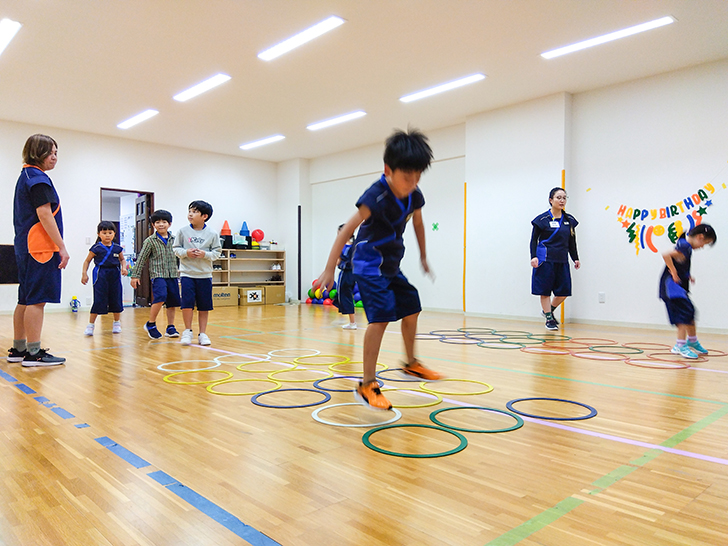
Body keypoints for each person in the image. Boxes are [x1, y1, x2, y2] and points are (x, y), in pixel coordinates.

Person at [316, 129, 442, 411]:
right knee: (381, 318)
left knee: (412, 306)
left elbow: (418, 223)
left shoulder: (414, 194)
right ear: (388, 170)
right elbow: (346, 230)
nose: (413, 183)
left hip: (390, 265)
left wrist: (423, 256)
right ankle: (367, 384)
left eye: (418, 177)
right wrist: (329, 269)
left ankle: (411, 363)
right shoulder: (376, 195)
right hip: (368, 265)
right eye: (407, 177)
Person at [8, 134, 69, 366]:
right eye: (50, 153)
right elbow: (44, 214)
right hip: (40, 249)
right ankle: (34, 353)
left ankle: (18, 349)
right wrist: (61, 246)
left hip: (27, 247)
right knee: (37, 300)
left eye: (56, 153)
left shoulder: (25, 176)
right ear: (37, 153)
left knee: (25, 299)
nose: (54, 157)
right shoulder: (37, 178)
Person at [659, 224, 716, 359]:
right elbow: (666, 255)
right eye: (704, 244)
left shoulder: (685, 246)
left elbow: (680, 262)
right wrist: (673, 272)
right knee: (683, 315)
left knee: (689, 312)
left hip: (678, 287)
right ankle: (680, 345)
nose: (702, 247)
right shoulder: (685, 246)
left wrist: (687, 275)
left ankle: (692, 341)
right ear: (700, 237)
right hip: (672, 288)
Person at [530, 187, 580, 330]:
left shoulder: (569, 220)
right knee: (545, 290)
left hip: (562, 260)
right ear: (551, 200)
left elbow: (572, 241)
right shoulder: (542, 220)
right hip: (545, 259)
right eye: (558, 197)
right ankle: (549, 319)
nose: (562, 200)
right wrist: (533, 256)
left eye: (564, 198)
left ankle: (548, 311)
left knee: (564, 291)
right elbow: (533, 240)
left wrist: (575, 258)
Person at [173, 200, 222, 346]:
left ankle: (203, 333)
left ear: (204, 216)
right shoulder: (182, 231)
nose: (190, 214)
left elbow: (217, 252)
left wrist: (205, 255)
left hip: (204, 275)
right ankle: (187, 331)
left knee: (204, 305)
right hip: (187, 274)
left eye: (194, 212)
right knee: (186, 304)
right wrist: (186, 252)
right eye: (189, 211)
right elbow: (176, 249)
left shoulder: (212, 233)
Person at [130, 210, 181, 339]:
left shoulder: (175, 240)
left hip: (173, 274)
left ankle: (170, 327)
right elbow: (141, 258)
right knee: (160, 297)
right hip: (158, 275)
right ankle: (151, 324)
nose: (161, 224)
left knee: (173, 301)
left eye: (164, 222)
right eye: (157, 222)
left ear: (169, 224)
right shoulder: (150, 241)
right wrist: (135, 275)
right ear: (153, 225)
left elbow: (180, 257)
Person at [81, 221, 128, 335]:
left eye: (110, 233)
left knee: (116, 297)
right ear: (99, 234)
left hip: (114, 273)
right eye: (104, 233)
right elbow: (87, 261)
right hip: (100, 274)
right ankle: (91, 325)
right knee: (99, 299)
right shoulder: (96, 248)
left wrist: (123, 268)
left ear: (114, 234)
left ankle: (116, 323)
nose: (107, 235)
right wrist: (84, 273)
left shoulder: (117, 248)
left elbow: (122, 259)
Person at [335, 224, 357, 329]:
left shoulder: (343, 247)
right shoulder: (354, 246)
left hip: (346, 273)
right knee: (344, 295)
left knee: (345, 296)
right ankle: (350, 321)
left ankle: (352, 322)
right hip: (353, 273)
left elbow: (337, 262)